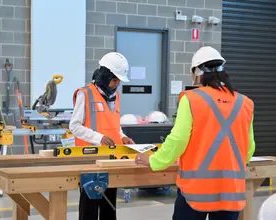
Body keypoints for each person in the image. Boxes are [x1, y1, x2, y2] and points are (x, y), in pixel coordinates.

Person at [135, 46, 256, 220]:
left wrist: (155, 161)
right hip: (231, 192)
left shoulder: (191, 99)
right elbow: (249, 148)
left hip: (195, 192)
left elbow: (178, 140)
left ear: (197, 73)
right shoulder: (245, 103)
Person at [69, 52, 135, 220]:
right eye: (115, 80)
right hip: (90, 160)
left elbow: (114, 124)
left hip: (111, 159)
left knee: (109, 207)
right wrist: (99, 138)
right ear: (104, 76)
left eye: (119, 80)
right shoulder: (86, 94)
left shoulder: (116, 96)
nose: (117, 84)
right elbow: (74, 126)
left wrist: (123, 136)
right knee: (90, 207)